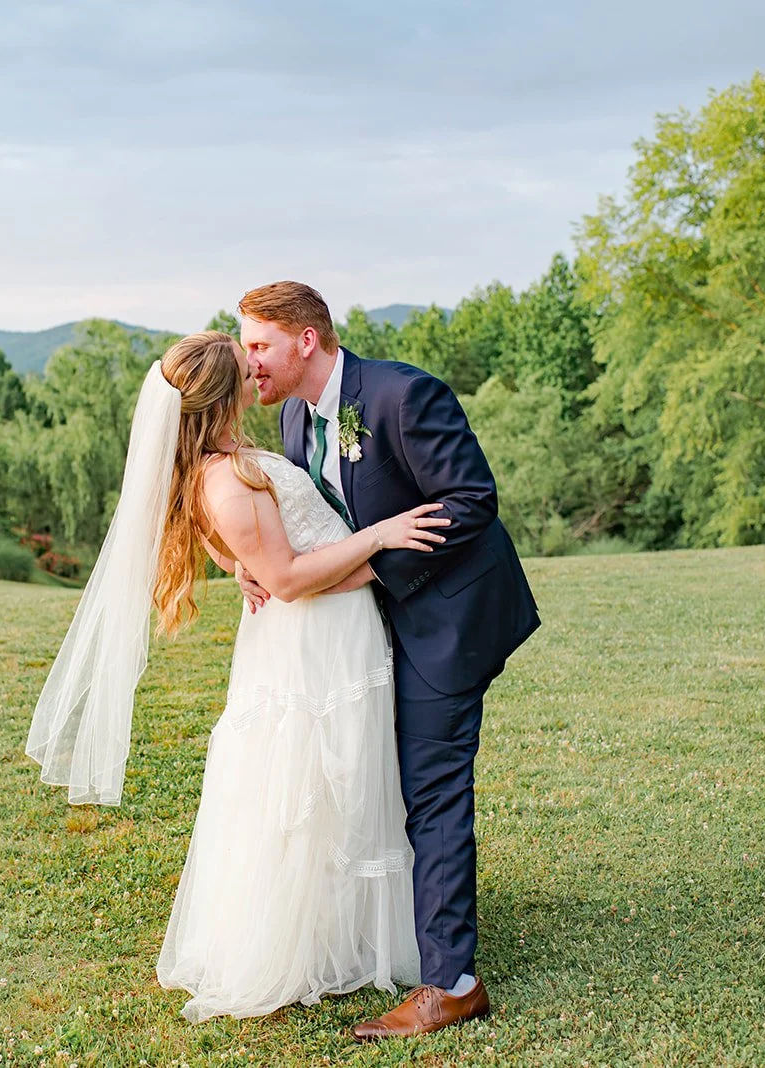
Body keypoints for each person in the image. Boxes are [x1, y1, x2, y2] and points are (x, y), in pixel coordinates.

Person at [27, 332, 451, 1023]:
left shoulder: (222, 463)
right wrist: (379, 538)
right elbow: (286, 578)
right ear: (221, 394)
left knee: (337, 778)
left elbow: (242, 550)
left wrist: (235, 565)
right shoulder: (225, 478)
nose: (256, 367)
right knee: (313, 781)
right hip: (315, 640)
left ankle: (343, 928)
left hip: (328, 628)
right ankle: (304, 942)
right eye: (242, 361)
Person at [237, 282, 540, 1041]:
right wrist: (256, 563)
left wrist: (373, 566)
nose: (250, 362)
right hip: (366, 632)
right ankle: (403, 931)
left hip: (447, 619)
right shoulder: (293, 416)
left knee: (431, 788)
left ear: (306, 340)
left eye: (260, 345)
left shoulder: (403, 395)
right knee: (377, 775)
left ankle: (452, 986)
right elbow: (312, 518)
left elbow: (471, 501)